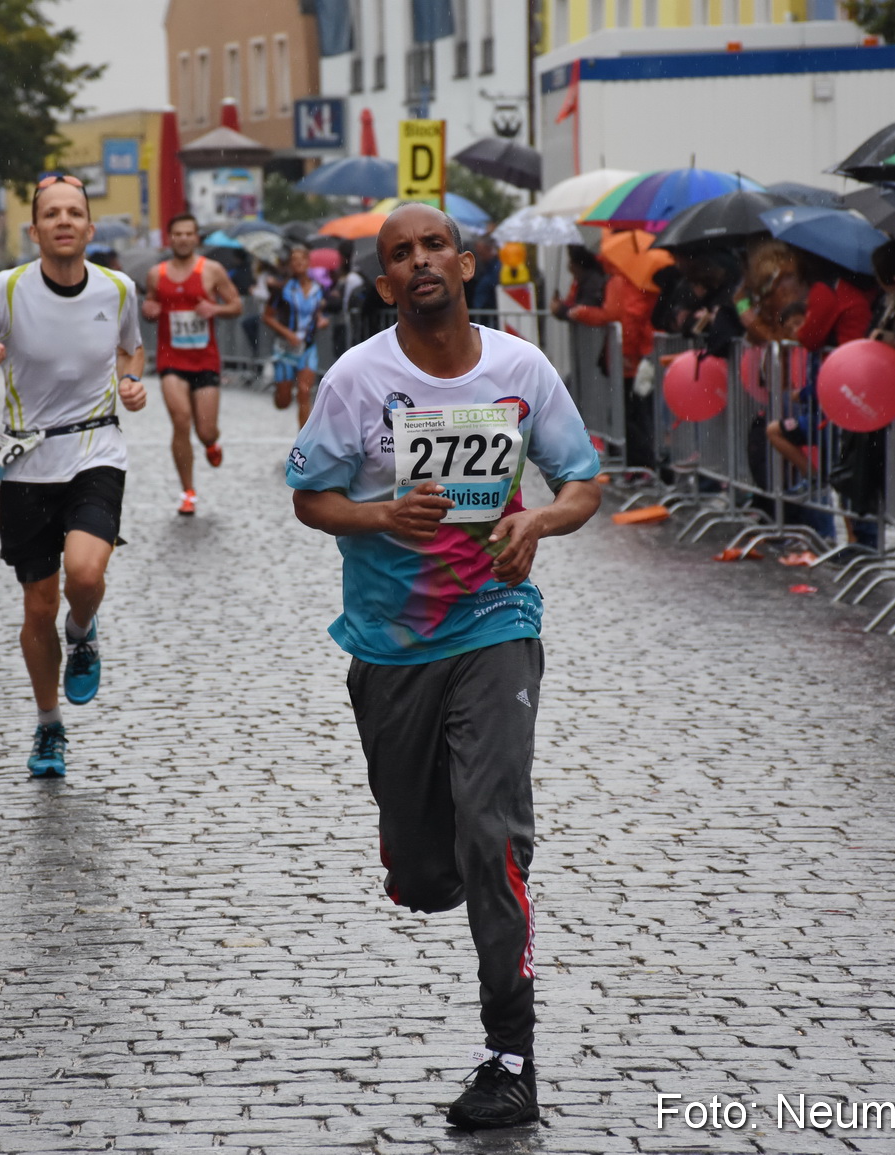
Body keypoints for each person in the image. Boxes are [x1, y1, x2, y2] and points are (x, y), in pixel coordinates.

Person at [287, 204, 602, 1132]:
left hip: (495, 623)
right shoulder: (357, 378)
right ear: (384, 285)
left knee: (494, 835)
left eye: (434, 247)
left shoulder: (520, 368)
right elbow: (311, 497)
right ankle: (426, 850)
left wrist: (535, 522)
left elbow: (582, 482)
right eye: (399, 255)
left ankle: (511, 1056)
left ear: (465, 264)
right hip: (390, 646)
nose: (420, 262)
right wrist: (383, 515)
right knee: (430, 873)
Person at [0, 174, 146, 780]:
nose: (63, 221)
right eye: (51, 214)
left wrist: (131, 382)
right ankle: (49, 724)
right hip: (27, 463)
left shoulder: (118, 288)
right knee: (36, 605)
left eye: (74, 212)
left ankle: (83, 630)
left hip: (96, 448)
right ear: (34, 230)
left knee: (85, 572)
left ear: (89, 227)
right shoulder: (7, 289)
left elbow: (131, 349)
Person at [141, 213, 241, 516]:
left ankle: (212, 444)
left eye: (188, 234)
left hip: (205, 360)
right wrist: (149, 309)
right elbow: (149, 305)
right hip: (171, 359)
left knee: (206, 431)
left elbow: (236, 305)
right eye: (177, 234)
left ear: (196, 238)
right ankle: (188, 492)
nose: (183, 239)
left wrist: (216, 308)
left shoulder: (211, 270)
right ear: (169, 238)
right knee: (180, 420)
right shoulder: (156, 274)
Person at [551, 229, 668, 471]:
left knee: (629, 414)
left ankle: (642, 465)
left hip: (629, 357)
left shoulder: (620, 281)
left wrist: (579, 313)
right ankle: (642, 464)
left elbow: (619, 318)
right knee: (634, 412)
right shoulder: (637, 281)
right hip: (635, 353)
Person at [263, 246, 328, 427]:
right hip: (285, 347)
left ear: (308, 263)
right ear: (290, 265)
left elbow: (319, 313)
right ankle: (279, 388)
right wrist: (287, 333)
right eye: (295, 260)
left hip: (307, 347)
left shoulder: (319, 288)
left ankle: (304, 445)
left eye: (302, 260)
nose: (299, 263)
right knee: (283, 403)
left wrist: (322, 321)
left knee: (304, 391)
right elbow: (266, 316)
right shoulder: (282, 289)